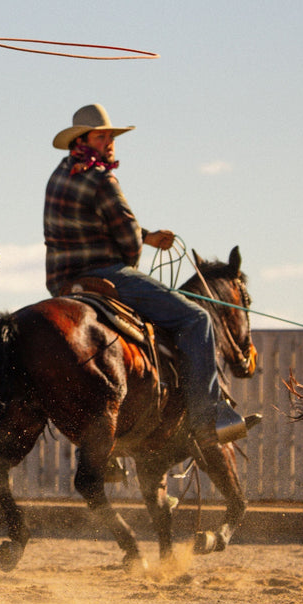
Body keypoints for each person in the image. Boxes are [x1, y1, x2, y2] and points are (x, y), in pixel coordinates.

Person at [43, 103, 236, 449]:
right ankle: (208, 419)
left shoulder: (60, 175)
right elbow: (127, 239)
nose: (110, 142)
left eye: (111, 136)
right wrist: (137, 248)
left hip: (62, 282)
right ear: (83, 140)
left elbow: (95, 223)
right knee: (196, 319)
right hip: (106, 273)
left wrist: (146, 234)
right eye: (102, 136)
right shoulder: (102, 178)